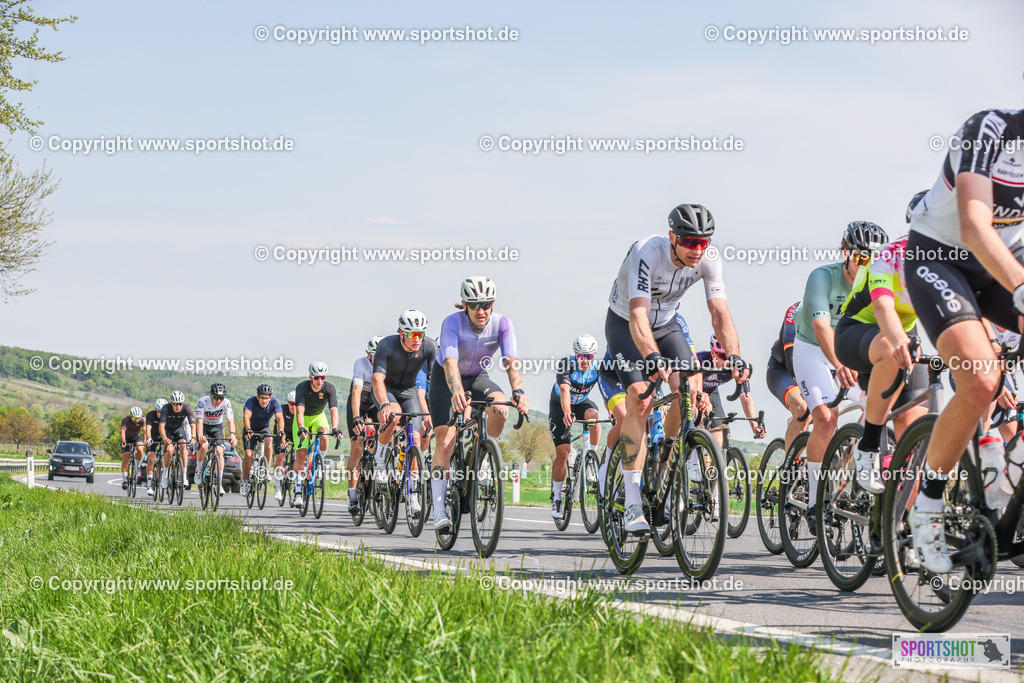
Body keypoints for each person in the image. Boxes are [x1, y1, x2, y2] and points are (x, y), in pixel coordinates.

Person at [903, 107, 1024, 572]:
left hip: (1005, 259)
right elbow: (974, 225)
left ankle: (1005, 470)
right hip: (942, 257)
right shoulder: (989, 130)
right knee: (979, 378)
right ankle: (928, 505)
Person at [604, 203, 750, 534]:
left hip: (667, 324)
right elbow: (638, 314)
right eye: (690, 242)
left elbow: (720, 314)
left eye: (704, 243)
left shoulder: (709, 260)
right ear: (672, 237)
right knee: (640, 399)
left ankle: (664, 460)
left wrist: (735, 356)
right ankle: (631, 502)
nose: (698, 250)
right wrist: (652, 356)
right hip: (626, 323)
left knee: (691, 391)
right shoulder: (648, 252)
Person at [793, 221, 887, 531]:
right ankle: (814, 501)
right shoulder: (823, 277)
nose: (865, 266)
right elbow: (821, 327)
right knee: (826, 417)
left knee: (877, 408)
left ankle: (847, 460)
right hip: (813, 350)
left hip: (850, 351)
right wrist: (839, 363)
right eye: (860, 257)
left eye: (871, 260)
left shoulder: (880, 283)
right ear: (845, 252)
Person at [428, 276, 529, 532]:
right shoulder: (451, 322)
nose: (481, 311)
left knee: (501, 409)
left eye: (486, 304)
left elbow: (510, 360)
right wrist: (457, 390)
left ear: (493, 303)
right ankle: (439, 509)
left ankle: (482, 454)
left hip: (478, 377)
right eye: (474, 305)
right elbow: (450, 362)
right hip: (446, 379)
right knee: (445, 439)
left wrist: (518, 390)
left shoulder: (503, 323)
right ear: (464, 304)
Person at [836, 236, 931, 493]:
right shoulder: (888, 255)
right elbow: (882, 307)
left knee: (913, 436)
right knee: (892, 350)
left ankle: (906, 523)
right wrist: (901, 340)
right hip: (856, 331)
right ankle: (867, 448)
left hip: (903, 338)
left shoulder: (950, 261)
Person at [371, 311, 437, 517]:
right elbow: (376, 380)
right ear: (401, 334)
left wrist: (430, 413)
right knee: (395, 415)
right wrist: (384, 405)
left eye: (421, 334)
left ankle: (414, 495)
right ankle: (379, 459)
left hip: (409, 392)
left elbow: (435, 383)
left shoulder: (429, 347)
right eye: (412, 335)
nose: (418, 339)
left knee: (416, 439)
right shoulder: (387, 346)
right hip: (387, 390)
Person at [548, 334, 602, 519]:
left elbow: (604, 390)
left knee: (595, 417)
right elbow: (564, 390)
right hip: (560, 405)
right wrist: (566, 412)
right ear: (575, 355)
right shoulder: (566, 364)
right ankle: (556, 496)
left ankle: (591, 462)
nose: (585, 361)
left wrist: (612, 411)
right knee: (563, 452)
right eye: (581, 356)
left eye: (589, 357)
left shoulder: (598, 367)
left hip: (582, 404)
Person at [292, 362, 342, 508]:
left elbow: (333, 410)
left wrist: (335, 428)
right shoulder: (302, 387)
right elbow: (299, 411)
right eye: (316, 378)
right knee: (302, 454)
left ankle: (319, 462)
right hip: (302, 418)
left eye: (322, 377)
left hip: (318, 417)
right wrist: (301, 428)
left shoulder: (329, 388)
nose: (320, 381)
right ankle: (298, 491)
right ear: (310, 377)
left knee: (324, 436)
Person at [345, 336, 382, 514]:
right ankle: (352, 494)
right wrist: (357, 417)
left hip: (376, 403)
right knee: (358, 448)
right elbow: (356, 391)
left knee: (380, 443)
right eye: (375, 355)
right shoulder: (361, 364)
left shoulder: (388, 364)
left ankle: (376, 486)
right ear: (368, 355)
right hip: (359, 402)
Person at [766, 302, 809, 450]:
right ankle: (790, 469)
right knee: (802, 408)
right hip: (783, 370)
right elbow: (791, 356)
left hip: (812, 371)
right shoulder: (796, 310)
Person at [241, 383, 284, 497]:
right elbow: (246, 416)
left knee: (269, 440)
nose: (265, 401)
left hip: (264, 428)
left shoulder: (274, 402)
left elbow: (279, 418)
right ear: (257, 397)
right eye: (262, 398)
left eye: (267, 398)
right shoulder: (251, 402)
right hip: (250, 428)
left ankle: (266, 469)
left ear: (270, 397)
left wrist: (281, 430)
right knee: (248, 455)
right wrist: (248, 429)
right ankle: (244, 482)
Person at [195, 383, 237, 496]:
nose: (218, 400)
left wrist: (232, 434)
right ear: (210, 396)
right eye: (216, 398)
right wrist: (200, 435)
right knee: (203, 446)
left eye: (221, 398)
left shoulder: (226, 403)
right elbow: (198, 421)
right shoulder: (203, 402)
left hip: (217, 427)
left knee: (219, 451)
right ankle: (199, 470)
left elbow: (230, 420)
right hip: (204, 426)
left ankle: (219, 482)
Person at [158, 391, 196, 491]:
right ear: (171, 403)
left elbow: (192, 424)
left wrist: (193, 437)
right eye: (175, 404)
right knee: (170, 450)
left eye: (180, 404)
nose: (178, 406)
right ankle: (165, 475)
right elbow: (161, 426)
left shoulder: (187, 408)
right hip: (168, 431)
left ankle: (184, 476)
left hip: (179, 429)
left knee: (183, 446)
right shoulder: (166, 408)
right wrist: (164, 437)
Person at [274, 390, 297, 502]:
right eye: (291, 404)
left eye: (296, 404)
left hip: (295, 433)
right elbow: (279, 426)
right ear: (288, 403)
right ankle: (278, 486)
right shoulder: (282, 409)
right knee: (281, 455)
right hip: (282, 432)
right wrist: (282, 440)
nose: (294, 407)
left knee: (297, 457)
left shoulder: (302, 412)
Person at [144, 398, 168, 495]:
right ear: (155, 409)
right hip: (153, 436)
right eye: (159, 412)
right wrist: (149, 438)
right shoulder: (150, 415)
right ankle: (149, 485)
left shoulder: (168, 416)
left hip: (164, 436)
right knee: (151, 458)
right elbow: (148, 428)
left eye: (162, 412)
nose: (160, 414)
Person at [120, 407, 146, 491]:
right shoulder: (126, 419)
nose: (136, 420)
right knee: (126, 456)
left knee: (140, 449)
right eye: (134, 418)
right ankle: (124, 480)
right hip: (127, 437)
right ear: (131, 416)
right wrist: (123, 441)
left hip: (136, 437)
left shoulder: (142, 420)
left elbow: (145, 430)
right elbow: (123, 431)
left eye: (138, 418)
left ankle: (137, 466)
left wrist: (145, 441)